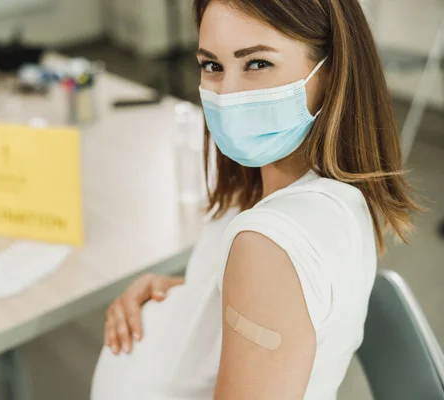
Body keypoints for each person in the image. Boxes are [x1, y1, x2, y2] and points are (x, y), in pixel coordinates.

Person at [90, 0, 420, 399]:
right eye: (212, 65)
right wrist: (182, 296)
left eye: (258, 64)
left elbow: (272, 277)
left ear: (331, 70)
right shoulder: (306, 192)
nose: (227, 94)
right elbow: (277, 301)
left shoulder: (270, 243)